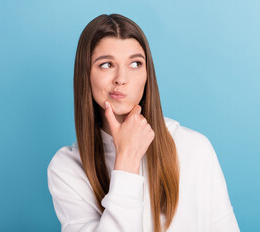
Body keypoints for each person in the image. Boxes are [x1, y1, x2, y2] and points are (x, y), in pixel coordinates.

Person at [47, 13, 240, 232]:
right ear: (86, 75)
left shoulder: (194, 148)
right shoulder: (67, 167)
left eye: (135, 64)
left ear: (147, 74)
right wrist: (126, 160)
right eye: (107, 64)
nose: (121, 78)